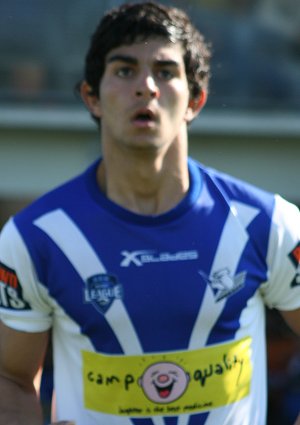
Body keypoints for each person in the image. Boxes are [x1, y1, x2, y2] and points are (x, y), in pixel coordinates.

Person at [0, 2, 299, 425]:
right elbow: (10, 378)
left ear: (196, 99)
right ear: (92, 96)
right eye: (124, 70)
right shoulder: (36, 238)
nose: (146, 87)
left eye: (165, 71)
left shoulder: (267, 223)